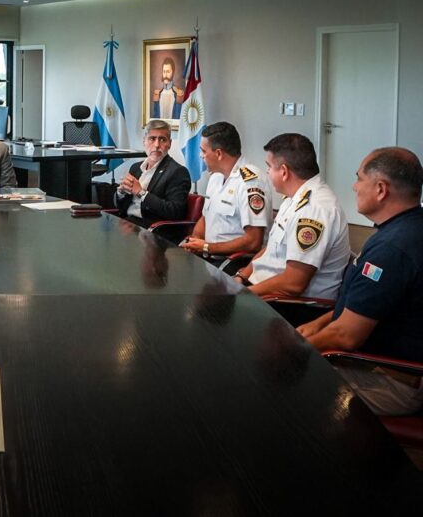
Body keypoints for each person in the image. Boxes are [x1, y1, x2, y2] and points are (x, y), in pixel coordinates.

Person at [295, 148, 423, 415]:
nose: (354, 186)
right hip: (376, 362)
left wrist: (295, 351)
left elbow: (346, 336)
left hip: (390, 378)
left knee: (283, 385)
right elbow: (364, 307)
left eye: (359, 178)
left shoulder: (391, 249)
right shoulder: (406, 228)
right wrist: (320, 324)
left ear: (381, 189)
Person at [235, 133, 350, 300]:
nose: (267, 172)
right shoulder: (294, 198)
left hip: (289, 304)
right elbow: (271, 250)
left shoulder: (314, 209)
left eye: (269, 167)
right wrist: (241, 277)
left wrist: (241, 294)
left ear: (284, 171)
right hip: (263, 288)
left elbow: (293, 284)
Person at [180, 121, 271, 262]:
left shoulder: (251, 182)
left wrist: (207, 247)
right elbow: (205, 218)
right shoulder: (215, 177)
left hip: (233, 263)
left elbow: (254, 241)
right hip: (208, 256)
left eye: (203, 151)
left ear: (218, 153)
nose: (200, 155)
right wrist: (195, 240)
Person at [114, 119, 191, 242]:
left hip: (152, 231)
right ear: (144, 141)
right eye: (152, 139)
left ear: (170, 144)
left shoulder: (177, 172)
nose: (156, 145)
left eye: (162, 139)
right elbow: (120, 206)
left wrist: (141, 193)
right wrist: (121, 192)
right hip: (127, 224)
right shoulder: (136, 168)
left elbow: (175, 212)